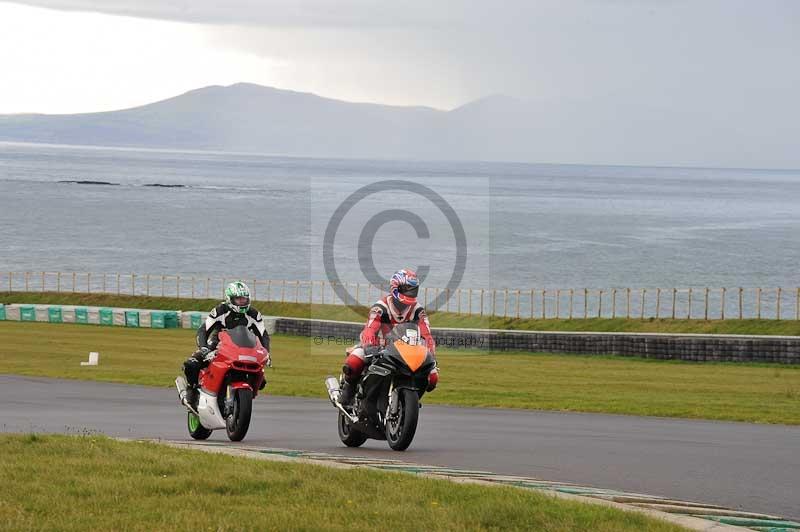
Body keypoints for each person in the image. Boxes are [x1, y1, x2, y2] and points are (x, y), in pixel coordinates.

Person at [338, 269, 439, 405]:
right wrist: (369, 346)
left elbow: (426, 335)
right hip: (378, 349)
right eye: (406, 289)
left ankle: (407, 403)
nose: (410, 293)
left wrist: (430, 354)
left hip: (406, 353)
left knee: (432, 378)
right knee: (354, 362)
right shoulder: (380, 307)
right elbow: (370, 329)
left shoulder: (418, 311)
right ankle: (348, 391)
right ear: (395, 287)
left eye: (413, 290)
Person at [180, 281, 271, 407]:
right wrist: (204, 348)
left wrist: (266, 352)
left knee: (261, 381)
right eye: (239, 299)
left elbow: (263, 335)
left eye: (244, 299)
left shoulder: (254, 314)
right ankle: (192, 390)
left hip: (243, 348)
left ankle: (240, 401)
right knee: (191, 364)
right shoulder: (220, 311)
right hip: (218, 344)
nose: (242, 302)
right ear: (230, 299)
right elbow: (203, 330)